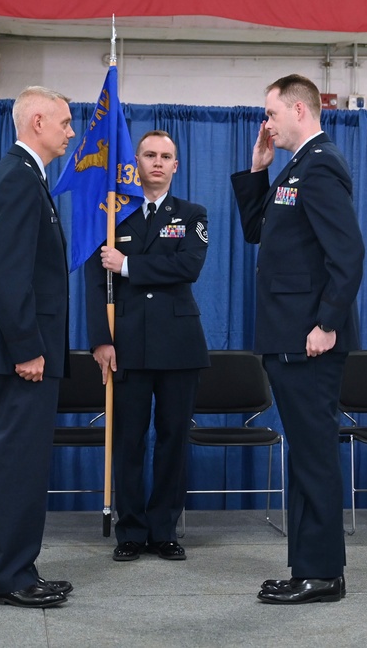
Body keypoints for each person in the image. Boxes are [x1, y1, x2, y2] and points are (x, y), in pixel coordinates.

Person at [231, 74, 365, 605]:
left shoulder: (322, 163)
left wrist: (327, 323)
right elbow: (257, 230)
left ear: (299, 110)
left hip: (310, 340)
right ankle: (308, 566)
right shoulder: (294, 166)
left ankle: (323, 573)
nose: (266, 124)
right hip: (289, 335)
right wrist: (258, 172)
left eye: (271, 114)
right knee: (305, 455)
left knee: (313, 457)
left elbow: (348, 254)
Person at [0, 86, 75, 608]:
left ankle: (17, 569)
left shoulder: (26, 176)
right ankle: (11, 577)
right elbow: (9, 276)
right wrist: (28, 348)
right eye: (64, 123)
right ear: (37, 121)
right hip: (22, 357)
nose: (71, 132)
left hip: (23, 352)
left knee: (25, 465)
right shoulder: (17, 179)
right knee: (18, 465)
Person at [86, 130, 210, 562]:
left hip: (178, 345)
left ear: (176, 166)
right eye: (150, 155)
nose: (158, 162)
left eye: (166, 156)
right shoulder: (112, 217)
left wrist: (129, 265)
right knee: (129, 440)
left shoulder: (192, 214)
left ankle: (164, 529)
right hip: (128, 345)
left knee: (174, 439)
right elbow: (92, 282)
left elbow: (188, 266)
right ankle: (132, 531)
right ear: (135, 161)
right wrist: (100, 339)